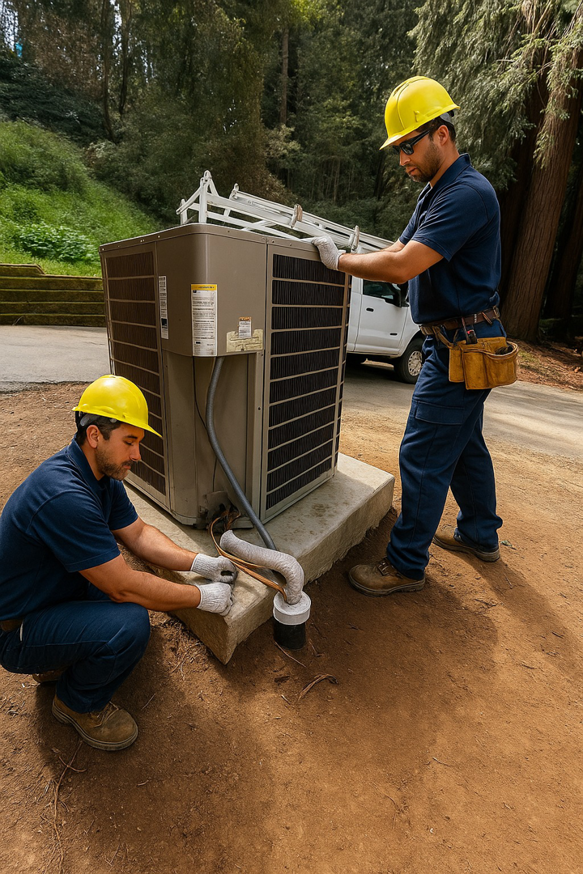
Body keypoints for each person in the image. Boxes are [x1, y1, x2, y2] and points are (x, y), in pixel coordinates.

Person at [311, 75, 505, 596]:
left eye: (406, 145)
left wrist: (339, 262)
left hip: (459, 346)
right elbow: (398, 250)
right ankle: (481, 535)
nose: (402, 159)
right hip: (462, 341)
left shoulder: (466, 194)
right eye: (398, 149)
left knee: (422, 454)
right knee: (464, 447)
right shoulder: (436, 192)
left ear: (441, 133)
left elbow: (401, 266)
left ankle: (405, 565)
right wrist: (356, 259)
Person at [0, 374, 237, 751]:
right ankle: (75, 702)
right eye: (130, 442)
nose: (137, 455)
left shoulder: (100, 475)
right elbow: (122, 585)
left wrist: (201, 563)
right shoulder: (64, 495)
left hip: (52, 594)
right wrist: (200, 598)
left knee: (124, 595)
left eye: (138, 443)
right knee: (128, 624)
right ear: (95, 436)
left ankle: (65, 655)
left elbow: (139, 535)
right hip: (17, 630)